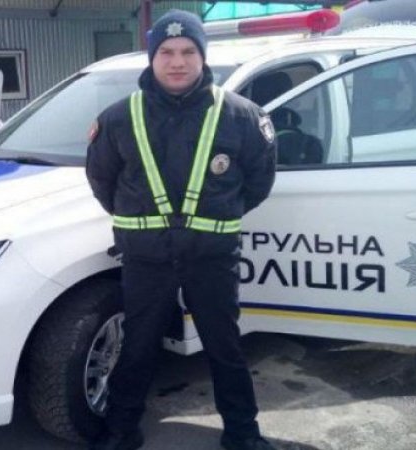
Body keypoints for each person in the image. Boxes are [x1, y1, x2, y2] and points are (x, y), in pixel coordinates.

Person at [86, 9, 277, 450]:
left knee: (224, 347)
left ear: (202, 56)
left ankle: (243, 435)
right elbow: (102, 181)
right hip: (146, 257)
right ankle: (120, 431)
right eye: (167, 52)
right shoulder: (118, 118)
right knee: (138, 346)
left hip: (211, 257)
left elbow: (259, 182)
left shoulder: (241, 116)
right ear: (152, 58)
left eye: (188, 51)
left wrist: (214, 218)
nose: (178, 61)